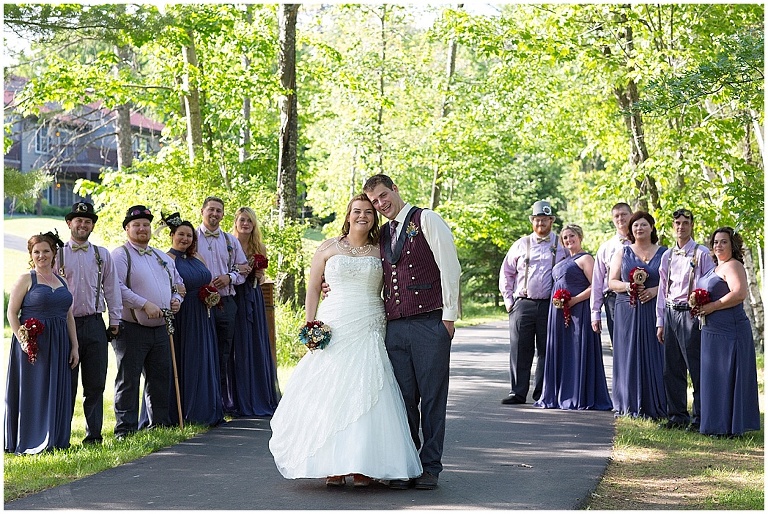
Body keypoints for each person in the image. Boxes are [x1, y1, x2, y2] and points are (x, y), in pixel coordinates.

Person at [270, 194, 422, 487]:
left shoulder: (382, 250)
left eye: (368, 211)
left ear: (374, 217)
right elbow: (313, 288)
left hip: (369, 321)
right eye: (357, 211)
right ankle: (333, 463)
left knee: (368, 387)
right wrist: (310, 323)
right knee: (331, 388)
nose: (362, 216)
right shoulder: (328, 247)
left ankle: (364, 464)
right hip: (335, 322)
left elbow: (396, 283)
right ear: (348, 215)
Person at [363, 174, 461, 490]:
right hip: (394, 326)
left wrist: (448, 317)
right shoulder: (382, 235)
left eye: (382, 196)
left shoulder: (427, 219)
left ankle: (430, 467)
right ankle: (407, 465)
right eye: (375, 202)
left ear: (395, 189)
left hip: (429, 323)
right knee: (403, 399)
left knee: (432, 397)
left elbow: (450, 267)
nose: (380, 204)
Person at [141, 213, 223, 427]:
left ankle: (203, 409)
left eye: (189, 235)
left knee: (201, 359)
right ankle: (180, 411)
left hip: (203, 316)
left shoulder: (198, 258)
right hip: (183, 316)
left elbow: (207, 280)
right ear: (172, 236)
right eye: (181, 235)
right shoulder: (166, 259)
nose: (185, 239)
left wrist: (210, 294)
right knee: (183, 358)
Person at [111, 205, 183, 439]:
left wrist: (176, 300)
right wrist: (144, 304)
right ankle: (125, 430)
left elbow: (178, 284)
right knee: (128, 380)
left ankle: (158, 425)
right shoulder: (120, 255)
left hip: (161, 328)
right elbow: (116, 289)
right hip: (131, 328)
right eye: (136, 225)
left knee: (160, 378)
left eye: (146, 224)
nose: (142, 228)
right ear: (127, 229)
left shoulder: (161, 257)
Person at [5, 232, 79, 454]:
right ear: (31, 254)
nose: (41, 255)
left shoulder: (62, 280)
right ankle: (30, 439)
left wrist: (74, 345)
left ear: (54, 253)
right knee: (34, 390)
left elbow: (68, 316)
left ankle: (55, 438)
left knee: (56, 388)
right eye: (36, 252)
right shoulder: (26, 279)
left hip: (59, 343)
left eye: (45, 251)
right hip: (34, 344)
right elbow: (11, 313)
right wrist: (23, 340)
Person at [59, 201, 122, 445]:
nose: (83, 225)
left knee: (95, 383)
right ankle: (62, 436)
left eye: (87, 222)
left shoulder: (102, 254)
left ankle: (93, 435)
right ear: (69, 224)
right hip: (66, 325)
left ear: (92, 226)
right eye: (78, 221)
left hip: (95, 324)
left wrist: (114, 320)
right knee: (67, 384)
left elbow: (112, 290)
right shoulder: (59, 253)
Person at [534, 224, 612, 411]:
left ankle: (579, 394)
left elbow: (597, 285)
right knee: (561, 350)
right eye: (565, 238)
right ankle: (560, 393)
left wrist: (575, 300)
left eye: (572, 236)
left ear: (580, 237)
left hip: (579, 311)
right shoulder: (562, 260)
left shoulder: (586, 258)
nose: (569, 240)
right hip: (559, 313)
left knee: (577, 350)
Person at [499, 200, 568, 405]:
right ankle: (518, 392)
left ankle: (542, 393)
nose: (540, 224)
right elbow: (506, 273)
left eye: (544, 220)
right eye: (537, 220)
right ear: (532, 221)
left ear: (551, 221)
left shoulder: (561, 245)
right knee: (520, 349)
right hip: (523, 303)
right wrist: (509, 301)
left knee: (547, 350)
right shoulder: (521, 244)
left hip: (550, 305)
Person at [696, 227, 760, 437]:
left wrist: (712, 306)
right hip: (711, 330)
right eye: (715, 242)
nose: (719, 246)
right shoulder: (714, 267)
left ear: (732, 245)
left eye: (724, 242)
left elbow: (739, 293)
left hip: (729, 331)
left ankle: (728, 426)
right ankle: (715, 424)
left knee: (727, 376)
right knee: (714, 377)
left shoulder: (733, 265)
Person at [655, 209, 715, 431]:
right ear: (673, 226)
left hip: (691, 314)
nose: (681, 227)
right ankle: (677, 416)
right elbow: (663, 289)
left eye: (685, 223)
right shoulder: (667, 255)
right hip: (671, 312)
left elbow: (709, 284)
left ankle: (699, 417)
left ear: (692, 225)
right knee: (671, 368)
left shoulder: (701, 254)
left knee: (696, 366)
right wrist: (660, 321)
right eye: (677, 223)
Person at [608, 211, 667, 419]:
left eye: (643, 225)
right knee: (628, 354)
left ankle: (657, 403)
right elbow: (611, 282)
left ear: (652, 227)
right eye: (635, 226)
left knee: (656, 353)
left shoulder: (664, 253)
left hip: (654, 308)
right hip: (628, 308)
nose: (639, 229)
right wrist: (628, 286)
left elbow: (674, 282)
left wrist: (655, 290)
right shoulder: (623, 253)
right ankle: (628, 402)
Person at [226, 207, 280, 417]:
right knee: (235, 345)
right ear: (236, 222)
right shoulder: (228, 243)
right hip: (233, 294)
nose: (245, 224)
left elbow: (263, 277)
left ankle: (256, 394)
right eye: (242, 220)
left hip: (253, 296)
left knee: (253, 343)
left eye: (249, 220)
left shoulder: (260, 247)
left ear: (254, 224)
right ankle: (235, 398)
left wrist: (258, 274)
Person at [195, 196, 250, 405]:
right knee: (200, 351)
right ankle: (200, 401)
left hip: (226, 303)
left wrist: (230, 277)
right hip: (198, 305)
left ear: (223, 215)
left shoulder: (230, 241)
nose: (214, 214)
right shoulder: (192, 238)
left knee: (223, 352)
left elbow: (242, 269)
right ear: (202, 211)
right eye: (211, 210)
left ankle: (218, 403)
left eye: (219, 211)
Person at [590, 203, 632, 348]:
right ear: (613, 220)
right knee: (620, 346)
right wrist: (595, 312)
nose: (620, 218)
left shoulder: (644, 242)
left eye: (624, 214)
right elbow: (597, 281)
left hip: (642, 299)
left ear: (631, 216)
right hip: (614, 300)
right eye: (616, 216)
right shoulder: (606, 248)